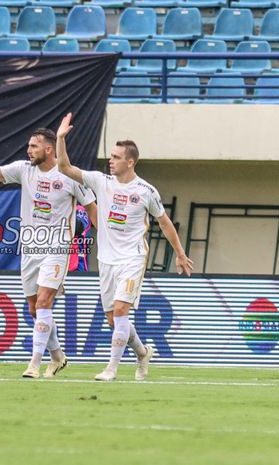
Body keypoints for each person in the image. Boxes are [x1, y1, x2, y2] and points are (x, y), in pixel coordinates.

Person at [0, 128, 97, 379]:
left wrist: (108, 239)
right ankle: (57, 356)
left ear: (48, 149)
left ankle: (34, 364)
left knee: (45, 301)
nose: (29, 150)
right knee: (35, 309)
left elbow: (91, 207)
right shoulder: (24, 169)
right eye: (29, 146)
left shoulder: (69, 176)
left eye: (34, 146)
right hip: (31, 247)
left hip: (57, 247)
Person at [55, 112, 194, 382]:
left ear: (130, 162)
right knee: (112, 320)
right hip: (106, 260)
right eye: (111, 156)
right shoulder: (100, 181)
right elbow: (64, 168)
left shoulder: (146, 191)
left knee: (120, 311)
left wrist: (180, 253)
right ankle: (142, 353)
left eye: (116, 157)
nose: (111, 160)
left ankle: (112, 369)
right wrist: (60, 138)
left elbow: (164, 223)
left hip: (133, 258)